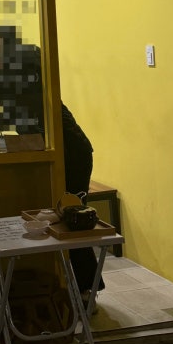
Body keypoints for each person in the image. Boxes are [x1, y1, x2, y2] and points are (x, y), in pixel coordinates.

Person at [61, 102, 105, 302]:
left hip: (74, 158)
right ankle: (83, 288)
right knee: (68, 221)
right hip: (70, 155)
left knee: (72, 220)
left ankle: (86, 290)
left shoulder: (33, 92)